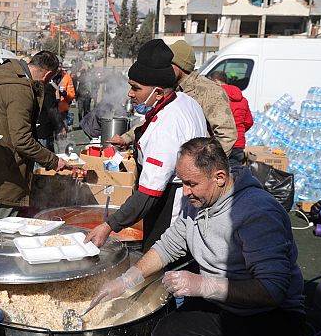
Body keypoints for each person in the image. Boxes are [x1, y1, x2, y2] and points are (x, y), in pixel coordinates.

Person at [92, 137, 305, 336]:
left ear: (219, 178)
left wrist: (203, 286)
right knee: (166, 334)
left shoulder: (257, 213)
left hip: (270, 314)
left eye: (191, 183)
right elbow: (168, 245)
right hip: (223, 306)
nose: (184, 191)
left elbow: (272, 290)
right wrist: (126, 280)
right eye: (182, 182)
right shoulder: (196, 200)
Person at [84, 39, 207, 253]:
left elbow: (149, 193)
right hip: (190, 203)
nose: (130, 94)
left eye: (135, 88)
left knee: (160, 267)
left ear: (158, 92)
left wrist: (109, 225)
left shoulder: (166, 126)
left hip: (171, 207)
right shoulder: (186, 101)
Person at [0, 51, 74, 219]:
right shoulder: (21, 89)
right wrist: (53, 161)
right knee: (4, 231)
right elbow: (22, 140)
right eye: (49, 80)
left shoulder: (4, 77)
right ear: (48, 74)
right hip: (6, 170)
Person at [109, 40, 237, 156]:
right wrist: (126, 138)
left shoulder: (209, 92)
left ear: (177, 66)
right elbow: (155, 118)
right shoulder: (172, 88)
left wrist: (207, 166)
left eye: (166, 64)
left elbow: (227, 135)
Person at [209, 70, 253, 167]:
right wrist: (239, 131)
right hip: (238, 143)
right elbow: (249, 122)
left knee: (218, 172)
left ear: (216, 81)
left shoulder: (215, 98)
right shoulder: (243, 100)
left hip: (220, 141)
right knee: (235, 172)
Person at [54, 64, 75, 129]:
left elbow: (72, 95)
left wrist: (65, 94)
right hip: (50, 109)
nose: (58, 69)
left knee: (62, 131)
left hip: (62, 109)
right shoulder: (48, 76)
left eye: (59, 66)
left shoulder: (67, 78)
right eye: (57, 66)